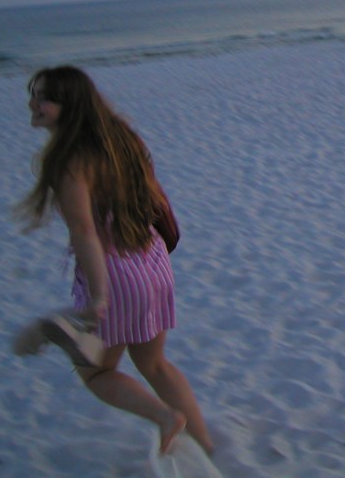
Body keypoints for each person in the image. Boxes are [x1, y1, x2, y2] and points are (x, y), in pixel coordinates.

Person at [15, 65, 213, 455]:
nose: (33, 104)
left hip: (116, 275)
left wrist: (98, 296)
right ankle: (207, 446)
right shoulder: (121, 138)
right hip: (152, 260)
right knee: (155, 364)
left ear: (70, 105)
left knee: (97, 373)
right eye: (33, 94)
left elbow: (84, 231)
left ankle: (165, 417)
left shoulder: (70, 161)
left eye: (45, 98)